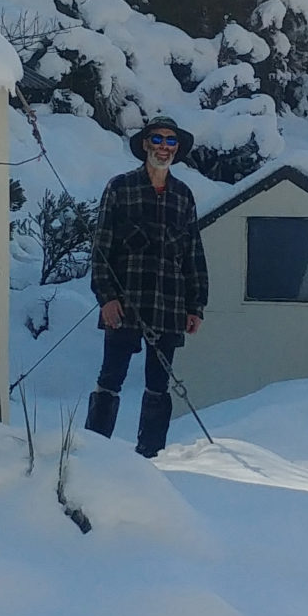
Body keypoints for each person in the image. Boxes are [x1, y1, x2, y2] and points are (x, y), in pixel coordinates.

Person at [85, 115, 210, 458]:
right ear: (144, 144)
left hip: (169, 304)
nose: (164, 147)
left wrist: (196, 306)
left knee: (159, 384)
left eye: (171, 141)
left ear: (177, 149)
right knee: (110, 378)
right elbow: (101, 249)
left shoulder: (183, 196)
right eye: (157, 139)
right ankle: (93, 453)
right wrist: (106, 298)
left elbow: (193, 254)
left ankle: (150, 457)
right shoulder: (120, 188)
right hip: (125, 303)